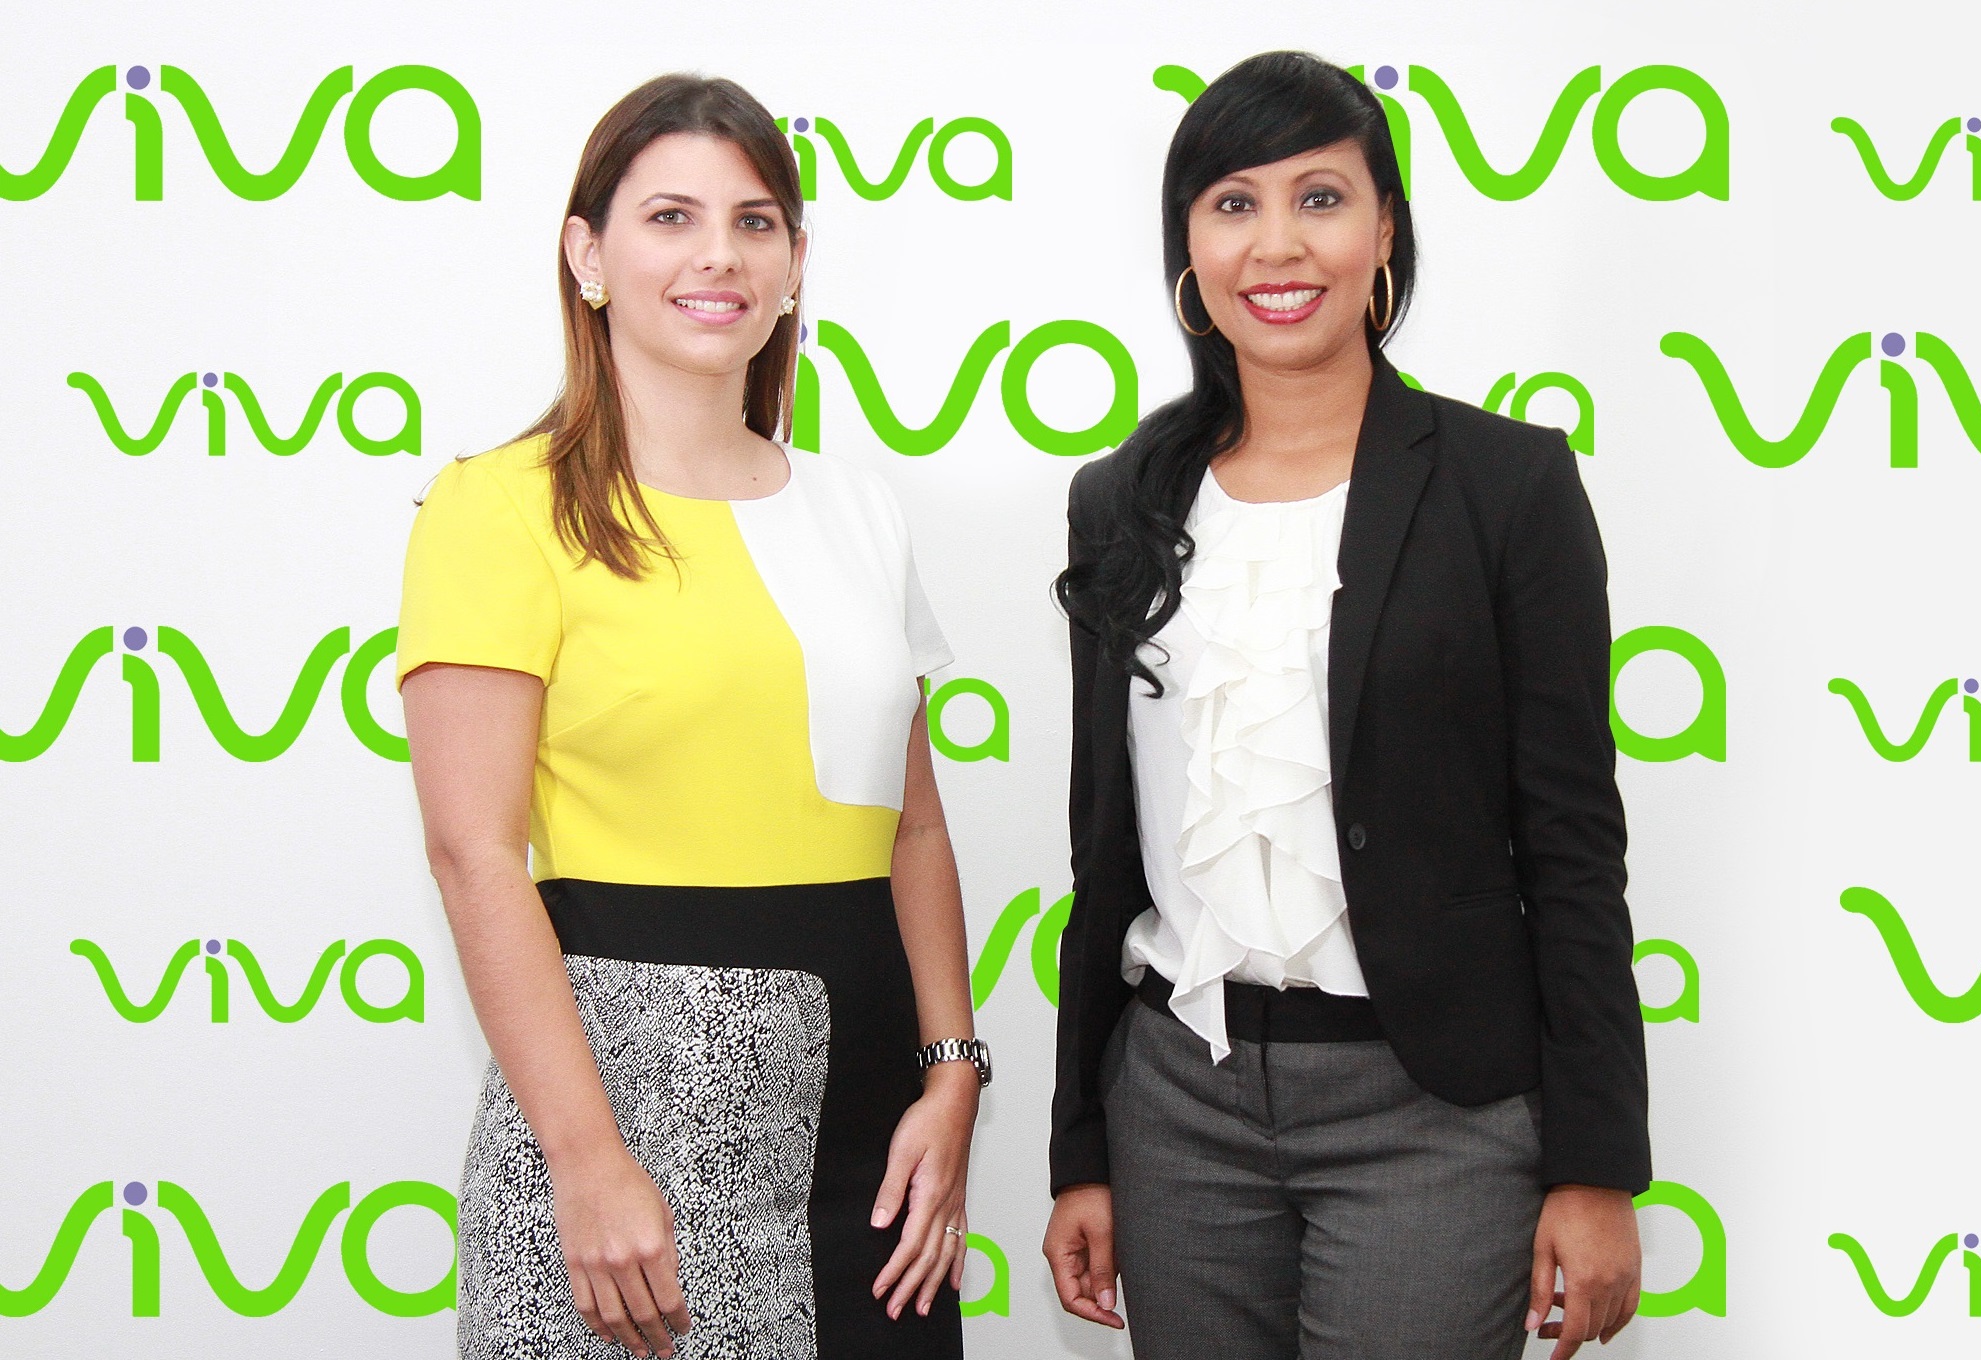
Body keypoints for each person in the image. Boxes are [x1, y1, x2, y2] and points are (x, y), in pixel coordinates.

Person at [1042, 51, 1650, 1360]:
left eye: (1319, 198)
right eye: (1232, 203)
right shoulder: (1119, 502)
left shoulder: (1508, 487)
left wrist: (1596, 1167)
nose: (1277, 243)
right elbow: (1104, 856)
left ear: (1383, 234)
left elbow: (1571, 848)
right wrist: (1078, 1149)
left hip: (1433, 1113)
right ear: (1188, 248)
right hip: (1176, 1108)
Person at [397, 74, 982, 1360]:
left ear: (793, 264)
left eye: (754, 221)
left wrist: (952, 1074)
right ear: (586, 254)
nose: (719, 255)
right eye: (671, 217)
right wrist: (586, 1160)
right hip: (630, 1125)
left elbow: (915, 829)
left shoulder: (858, 513)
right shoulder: (496, 506)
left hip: (875, 1138)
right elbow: (473, 854)